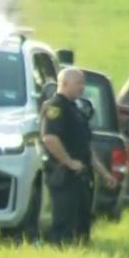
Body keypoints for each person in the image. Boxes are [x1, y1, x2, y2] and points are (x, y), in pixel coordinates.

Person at [40, 68, 117, 245]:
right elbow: (50, 138)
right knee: (64, 224)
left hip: (82, 177)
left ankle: (79, 254)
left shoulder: (76, 110)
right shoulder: (55, 107)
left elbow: (85, 149)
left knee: (82, 225)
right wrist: (68, 162)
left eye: (83, 83)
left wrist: (104, 174)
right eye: (79, 83)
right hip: (64, 176)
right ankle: (59, 255)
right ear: (64, 83)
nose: (82, 87)